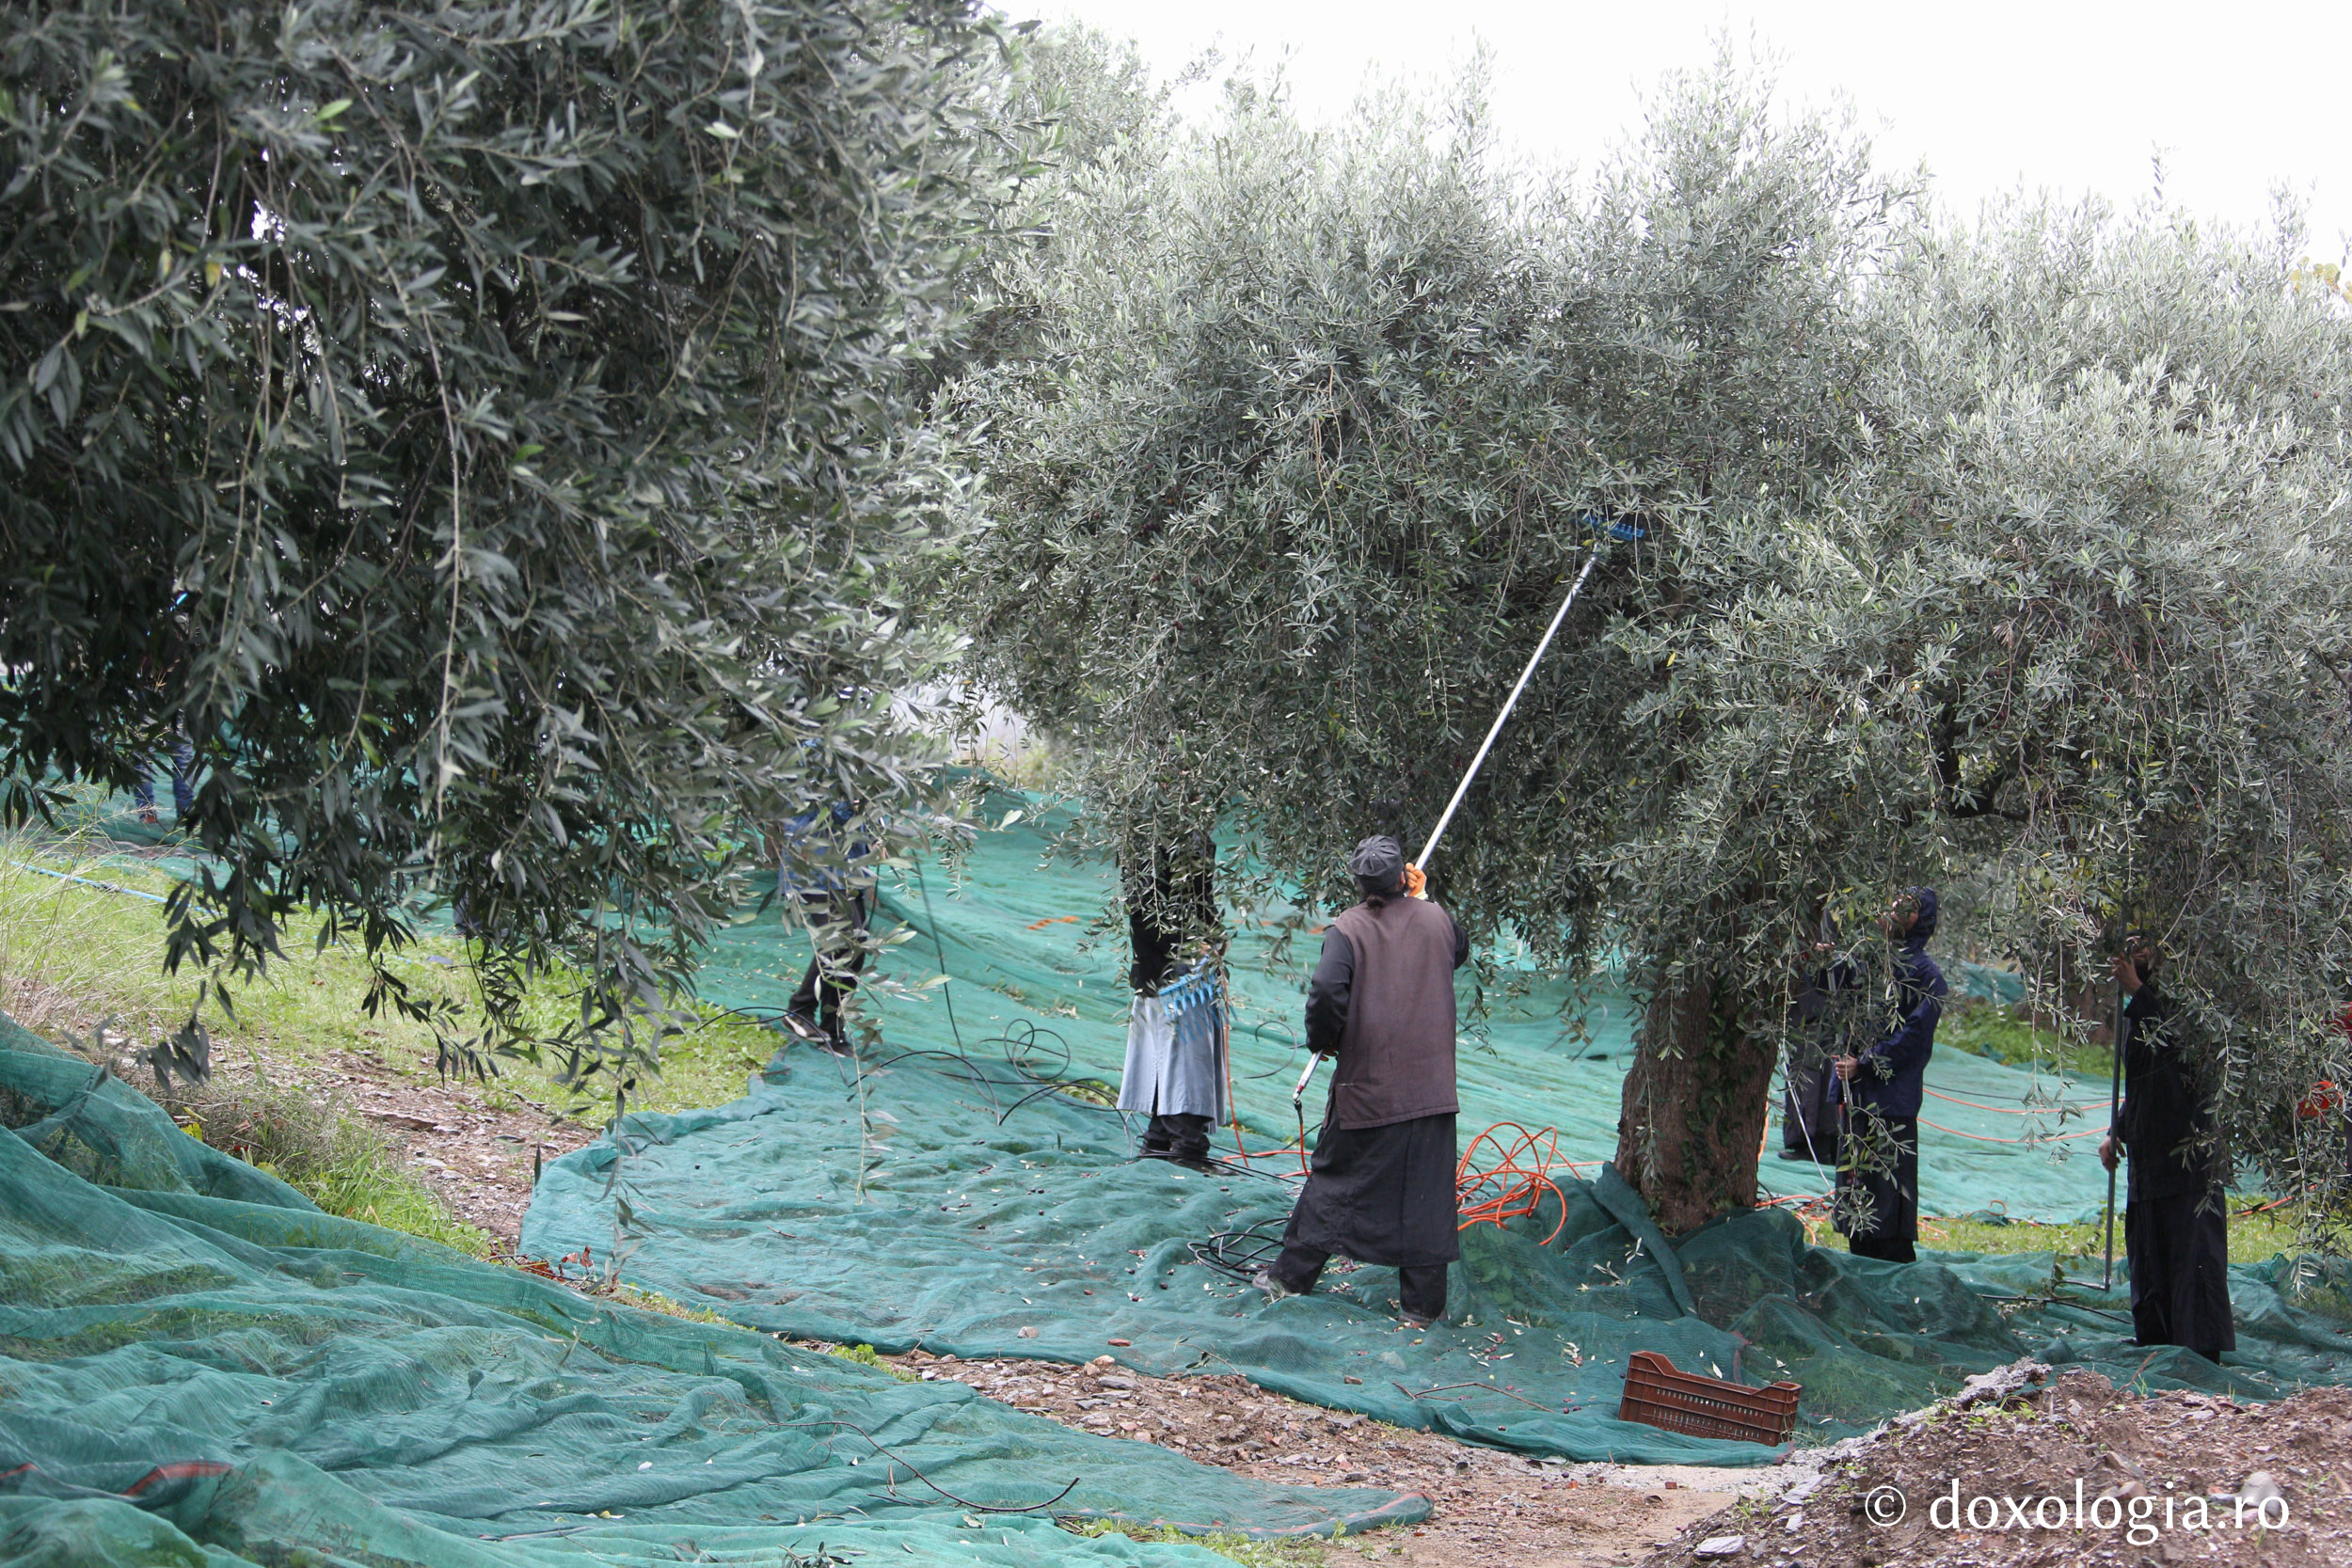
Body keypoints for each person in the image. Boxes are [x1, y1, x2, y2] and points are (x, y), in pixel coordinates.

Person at [1255, 834, 1469, 1327]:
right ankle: (1422, 1309)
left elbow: (1328, 992)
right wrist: (1423, 900)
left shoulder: (1347, 929)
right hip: (1432, 1091)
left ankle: (1289, 1279)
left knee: (1336, 1182)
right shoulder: (1437, 920)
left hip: (1369, 1087)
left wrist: (1324, 1039)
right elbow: (1456, 953)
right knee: (1426, 1196)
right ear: (1404, 876)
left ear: (1358, 882)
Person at [2099, 939, 2234, 1362]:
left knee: (2190, 1255)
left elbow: (2176, 1058)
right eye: (2132, 942)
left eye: (2144, 943)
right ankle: (2157, 1344)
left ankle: (2199, 1351)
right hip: (2148, 1159)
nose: (2134, 948)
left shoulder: (2190, 1001)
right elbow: (2144, 1081)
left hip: (2185, 1159)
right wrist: (2116, 1130)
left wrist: (2138, 991)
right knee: (2149, 1254)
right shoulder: (2141, 1008)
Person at [1832, 887, 1946, 1263]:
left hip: (1891, 1103)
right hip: (1858, 1098)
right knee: (1855, 1195)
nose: (1895, 910)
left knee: (1887, 1203)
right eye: (1896, 902)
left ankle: (1894, 1284)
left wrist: (1864, 1062)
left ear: (1921, 919)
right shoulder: (1868, 964)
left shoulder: (1927, 977)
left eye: (1907, 907)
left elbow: (1912, 1039)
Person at [1116, 832, 1228, 1166]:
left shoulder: (1146, 832)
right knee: (1184, 1061)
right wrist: (1201, 942)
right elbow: (1176, 904)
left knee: (1162, 1057)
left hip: (1161, 966)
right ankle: (1186, 1146)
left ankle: (1159, 1139)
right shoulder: (1166, 837)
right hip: (1176, 971)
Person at [778, 800, 873, 1052]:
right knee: (840, 941)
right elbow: (814, 809)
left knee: (855, 947)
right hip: (816, 866)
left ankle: (833, 1031)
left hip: (849, 869)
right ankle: (799, 1009)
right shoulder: (818, 764)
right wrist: (852, 807)